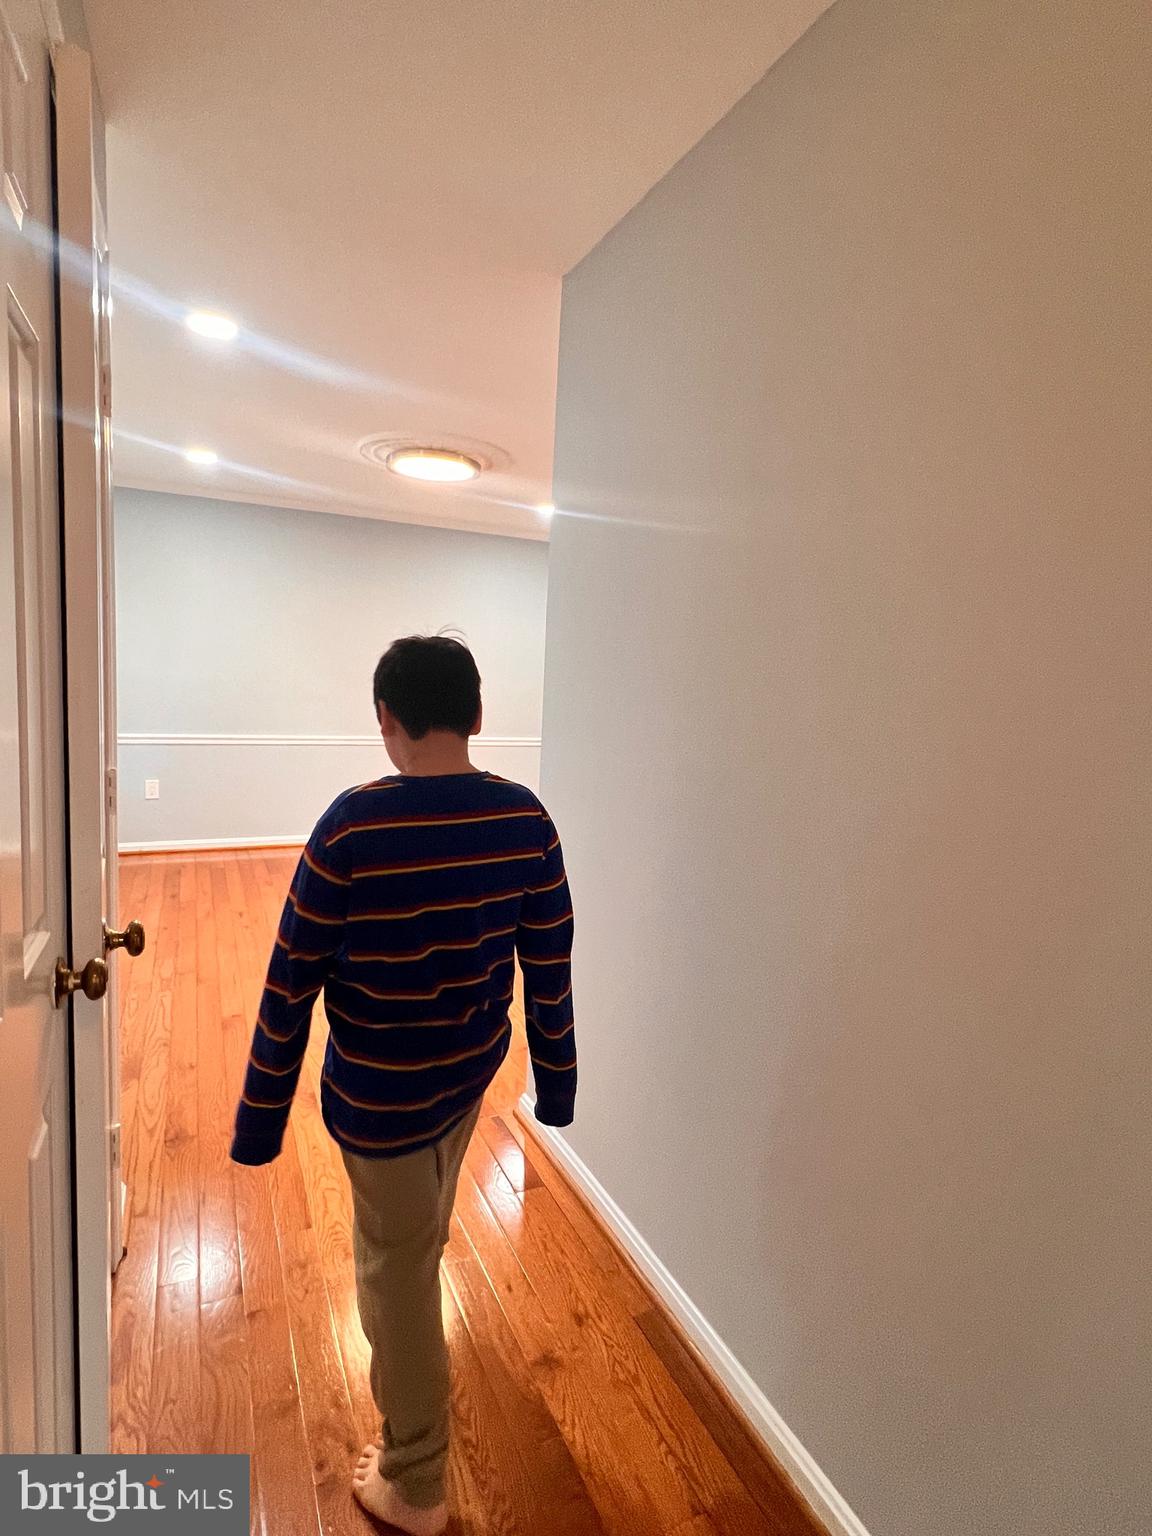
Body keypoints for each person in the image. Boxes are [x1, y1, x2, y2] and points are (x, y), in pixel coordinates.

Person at [229, 635, 576, 1536]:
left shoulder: (352, 825)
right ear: (478, 715)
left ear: (388, 719)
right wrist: (558, 1085)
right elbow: (550, 965)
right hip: (470, 1073)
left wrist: (260, 1120)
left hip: (381, 1097)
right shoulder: (525, 820)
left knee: (394, 1272)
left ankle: (416, 1482)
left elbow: (289, 979)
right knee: (415, 1237)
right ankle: (420, 1292)